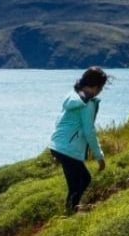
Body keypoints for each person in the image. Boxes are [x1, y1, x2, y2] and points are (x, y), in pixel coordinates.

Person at [48, 66, 108, 213]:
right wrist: (99, 156)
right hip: (67, 148)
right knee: (80, 182)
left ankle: (71, 211)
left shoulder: (74, 94)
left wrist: (58, 149)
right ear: (96, 86)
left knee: (79, 181)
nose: (101, 91)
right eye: (101, 87)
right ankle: (69, 214)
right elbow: (89, 131)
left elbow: (61, 121)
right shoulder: (87, 103)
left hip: (59, 145)